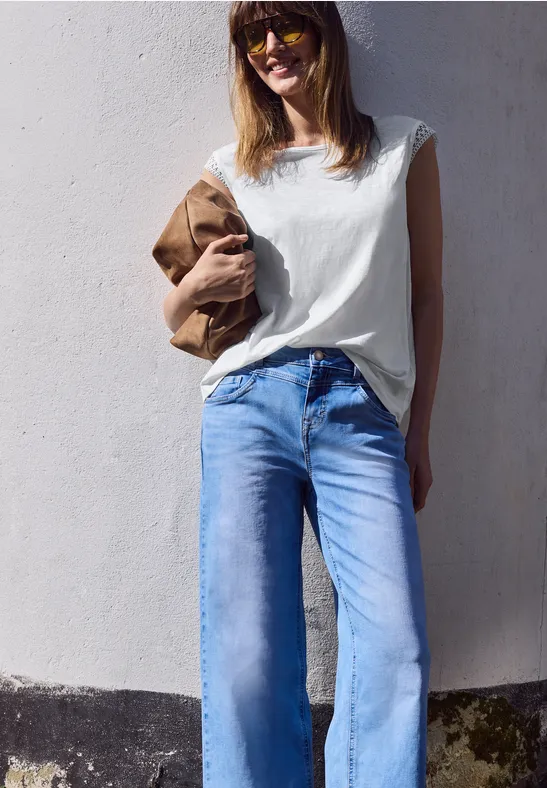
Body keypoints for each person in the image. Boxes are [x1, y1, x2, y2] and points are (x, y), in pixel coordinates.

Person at [162, 2, 443, 786]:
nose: (270, 48)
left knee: (393, 642)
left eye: (286, 26)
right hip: (247, 406)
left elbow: (426, 296)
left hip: (360, 410)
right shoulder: (229, 169)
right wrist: (195, 284)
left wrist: (418, 431)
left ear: (324, 33)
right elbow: (174, 314)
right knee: (248, 650)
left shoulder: (400, 146)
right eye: (252, 36)